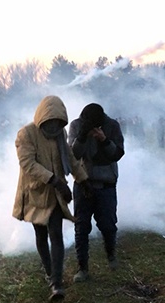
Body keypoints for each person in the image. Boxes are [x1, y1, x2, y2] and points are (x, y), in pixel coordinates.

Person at [12, 95, 91, 302]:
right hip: (36, 192)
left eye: (58, 123)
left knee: (56, 234)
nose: (54, 127)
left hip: (56, 194)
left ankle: (56, 283)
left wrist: (83, 180)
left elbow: (71, 159)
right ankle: (49, 272)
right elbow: (28, 164)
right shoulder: (26, 134)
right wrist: (55, 180)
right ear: (42, 119)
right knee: (41, 235)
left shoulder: (60, 134)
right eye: (51, 122)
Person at [67, 103, 125, 282]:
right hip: (83, 183)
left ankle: (111, 254)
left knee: (108, 224)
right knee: (81, 226)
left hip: (106, 183)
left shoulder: (112, 125)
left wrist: (104, 140)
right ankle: (82, 268)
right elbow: (73, 155)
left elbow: (117, 154)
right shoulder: (77, 125)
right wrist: (83, 135)